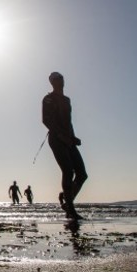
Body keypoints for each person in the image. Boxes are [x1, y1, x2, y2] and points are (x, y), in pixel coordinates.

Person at [43, 71, 88, 221]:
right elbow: (46, 120)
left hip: (69, 140)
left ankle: (68, 201)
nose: (59, 81)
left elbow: (69, 121)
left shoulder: (67, 100)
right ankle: (71, 211)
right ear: (51, 82)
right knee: (68, 171)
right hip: (57, 139)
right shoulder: (48, 98)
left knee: (82, 174)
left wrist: (73, 138)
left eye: (61, 78)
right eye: (56, 79)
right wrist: (61, 135)